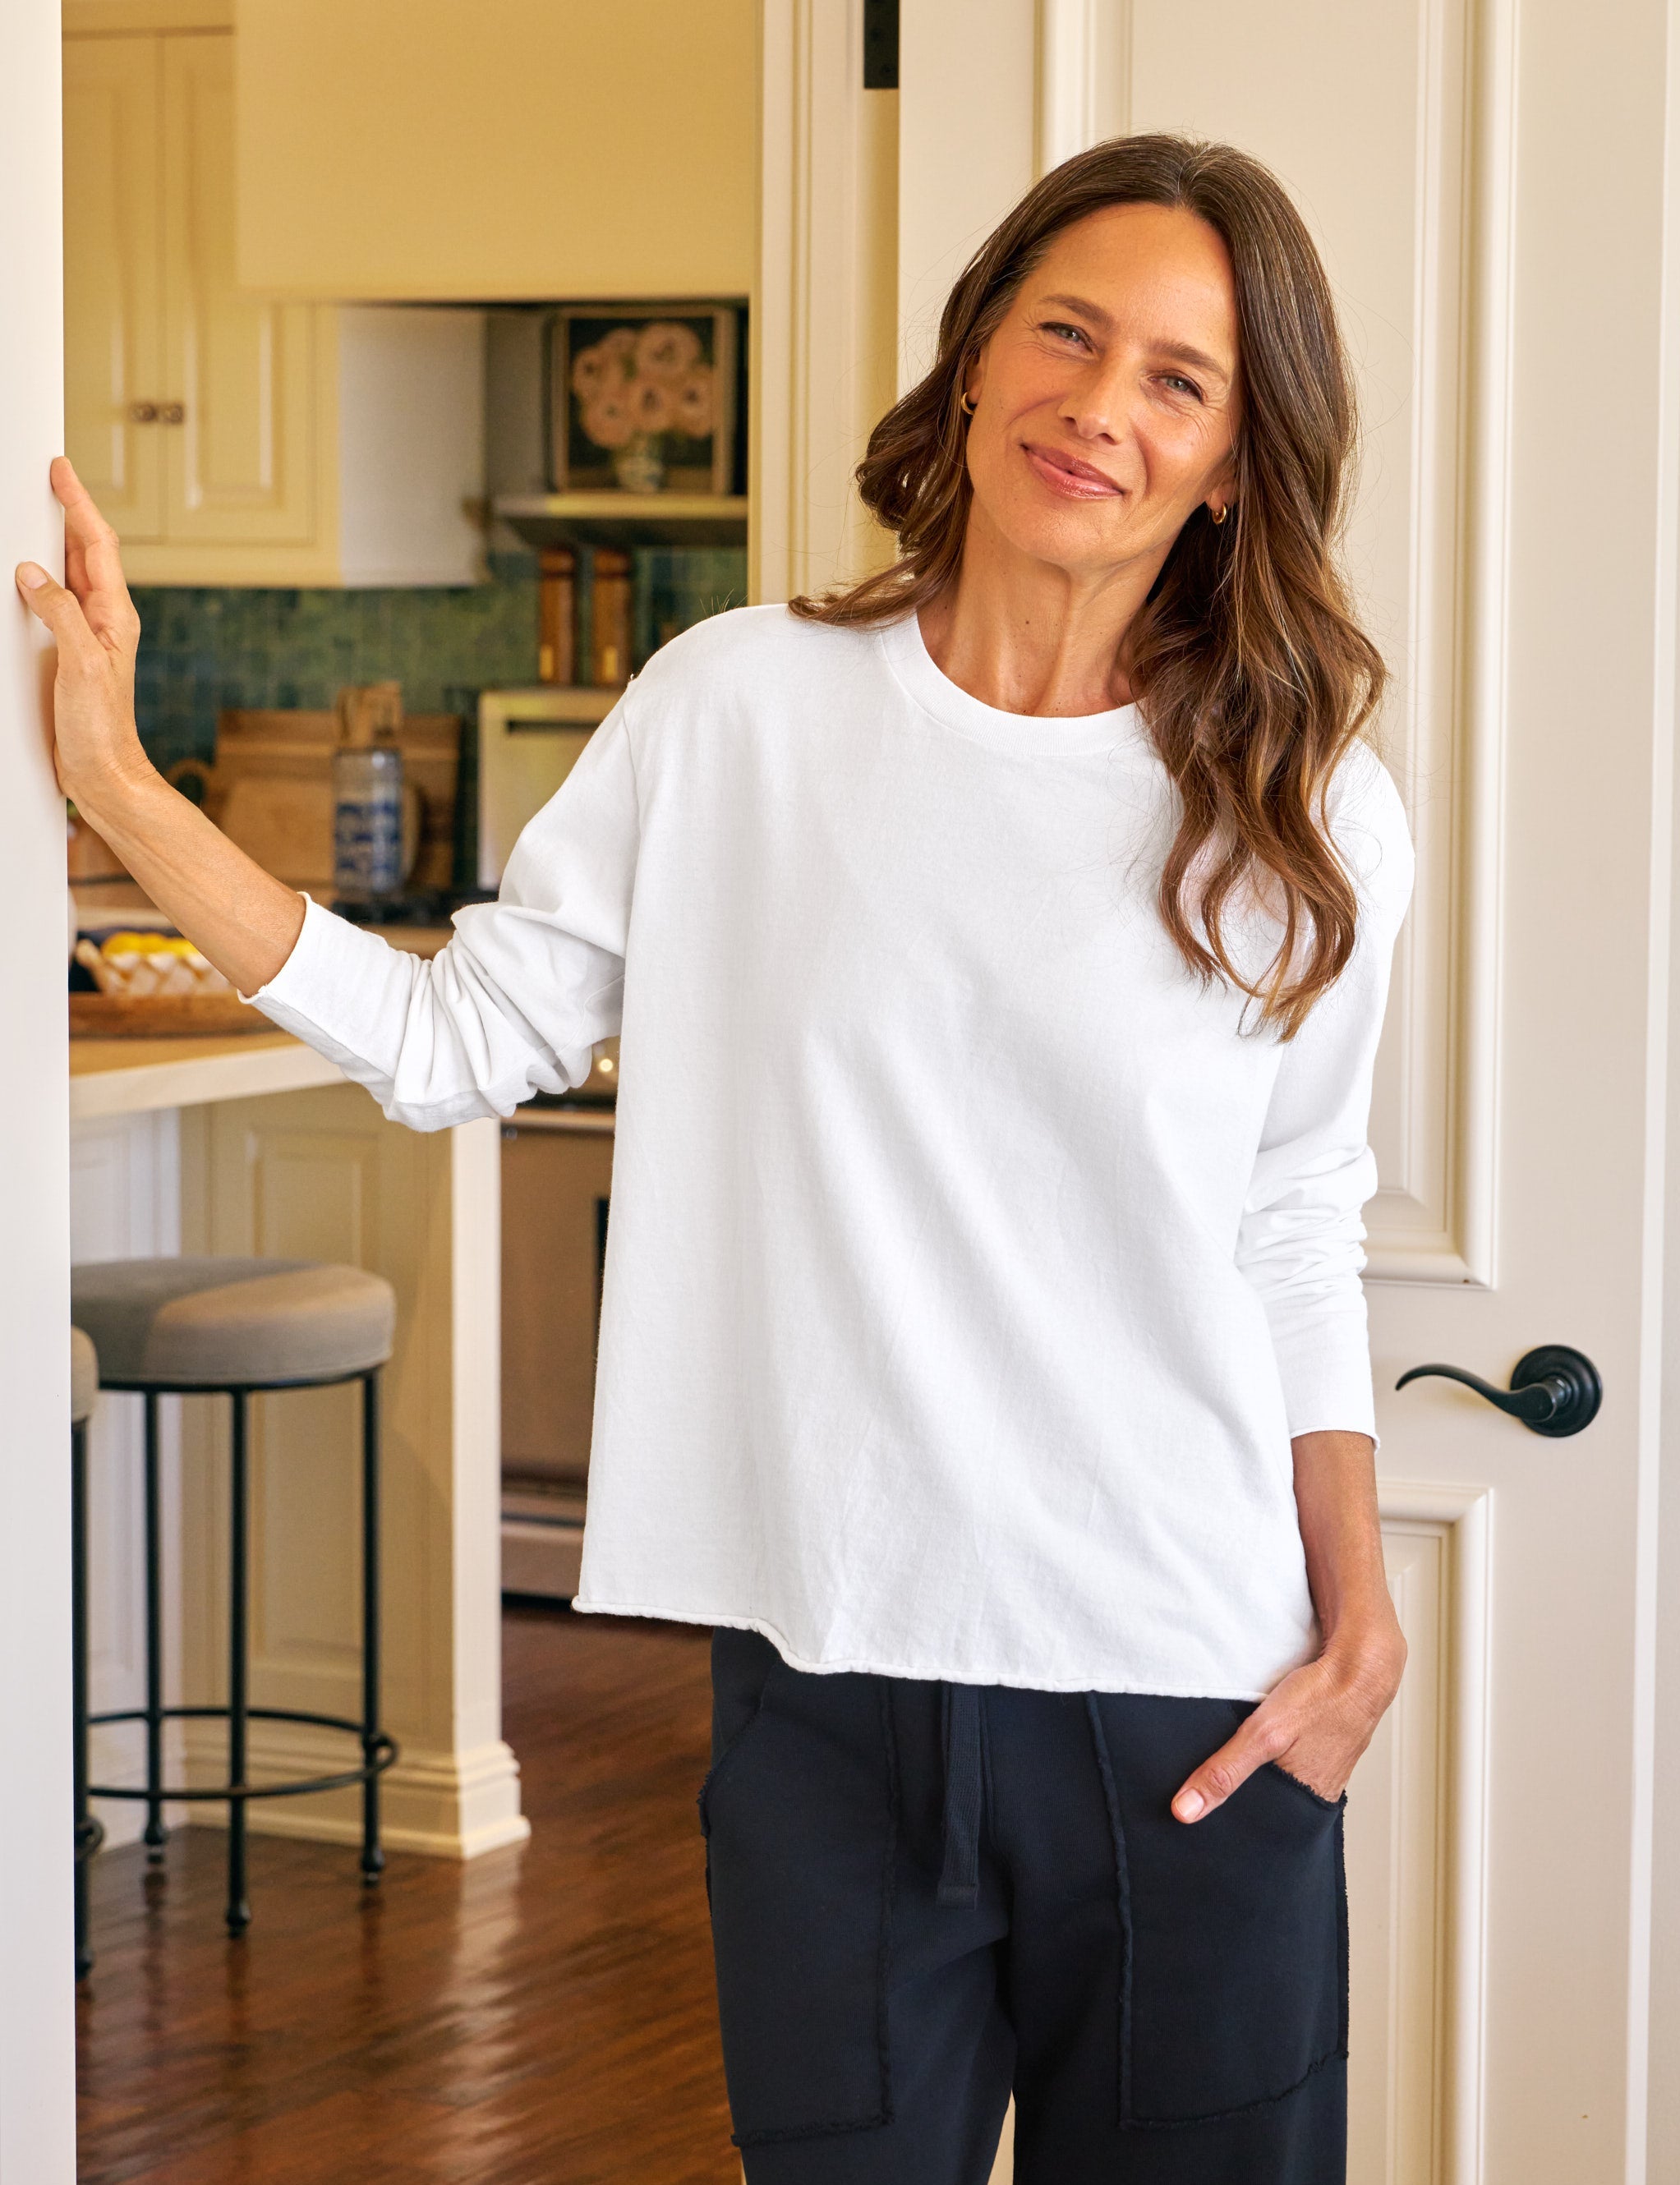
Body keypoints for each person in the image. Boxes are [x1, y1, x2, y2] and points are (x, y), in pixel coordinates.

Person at [21, 133, 1413, 2185]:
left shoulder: (1302, 803)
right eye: (1068, 332)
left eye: (1179, 382)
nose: (1100, 408)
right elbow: (454, 1036)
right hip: (826, 1688)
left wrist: (1358, 1616)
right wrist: (122, 791)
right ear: (976, 362)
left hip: (1191, 1703)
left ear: (1232, 461)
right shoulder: (741, 709)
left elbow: (1298, 1220)